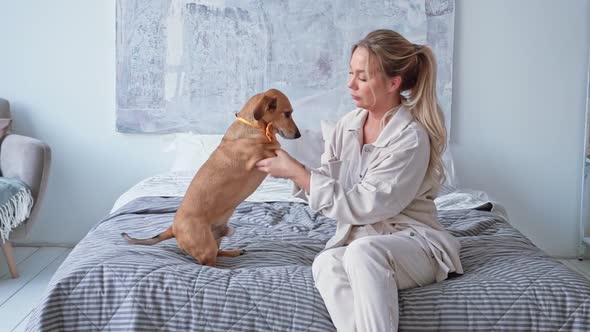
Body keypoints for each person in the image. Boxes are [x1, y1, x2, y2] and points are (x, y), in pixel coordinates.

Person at [255, 29, 463, 332]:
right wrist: (293, 168)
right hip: (362, 241)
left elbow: (365, 206)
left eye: (362, 77)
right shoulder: (347, 125)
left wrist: (296, 171)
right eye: (350, 73)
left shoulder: (410, 138)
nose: (350, 84)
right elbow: (328, 182)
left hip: (416, 243)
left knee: (363, 252)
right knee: (326, 262)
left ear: (393, 83)